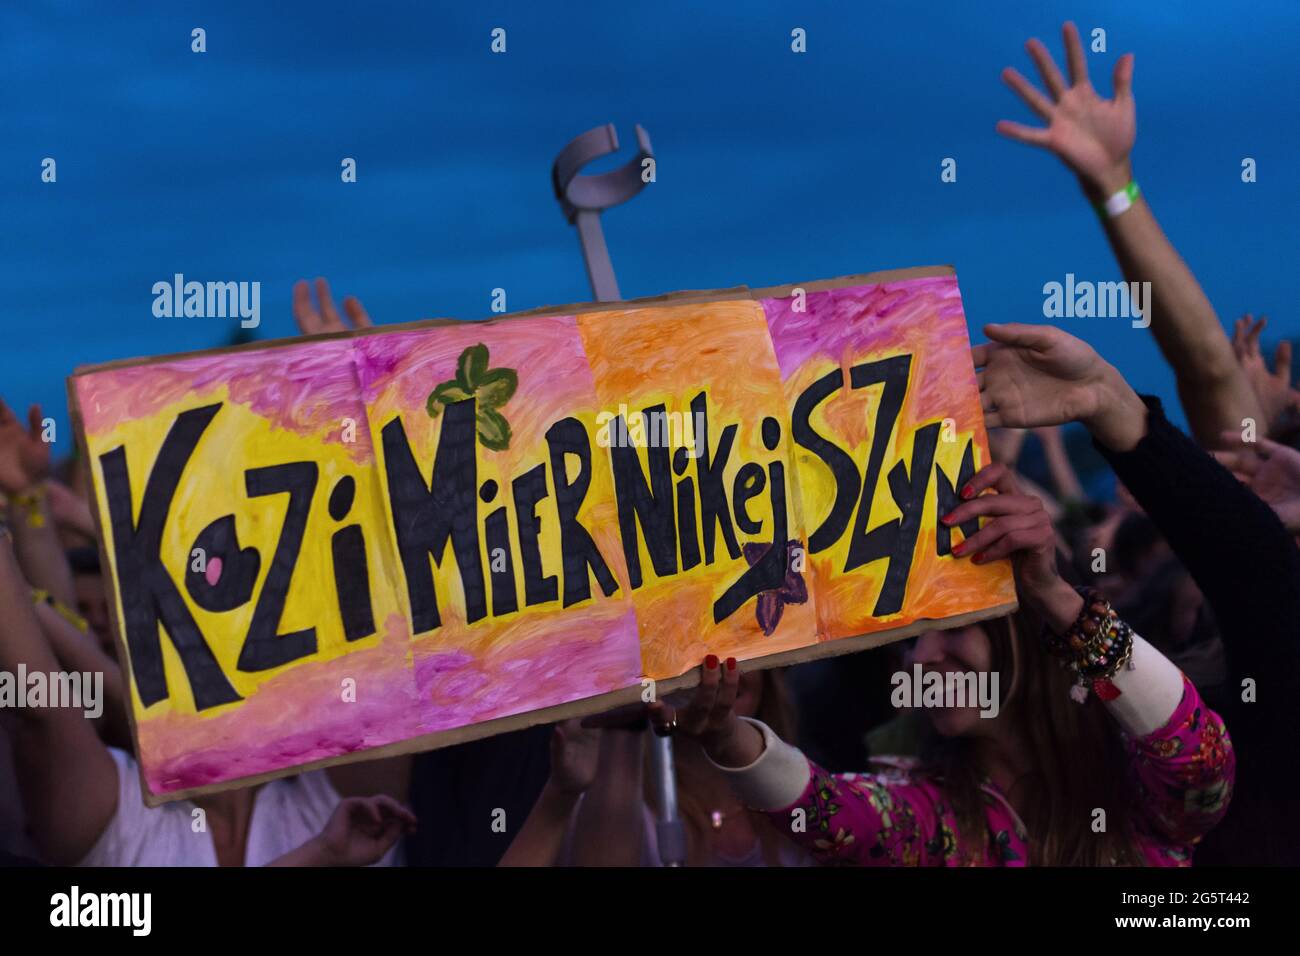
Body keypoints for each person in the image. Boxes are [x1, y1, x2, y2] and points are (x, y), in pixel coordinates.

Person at [650, 341, 1238, 863]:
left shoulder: (1132, 793)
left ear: (1025, 638)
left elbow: (1197, 759)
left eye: (953, 628)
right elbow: (829, 813)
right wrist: (727, 737)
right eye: (909, 640)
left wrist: (1052, 594)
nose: (919, 658)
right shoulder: (931, 823)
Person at [997, 22, 1262, 447]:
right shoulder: (1263, 489)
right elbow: (1209, 369)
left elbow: (1211, 370)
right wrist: (1114, 184)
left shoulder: (1267, 492)